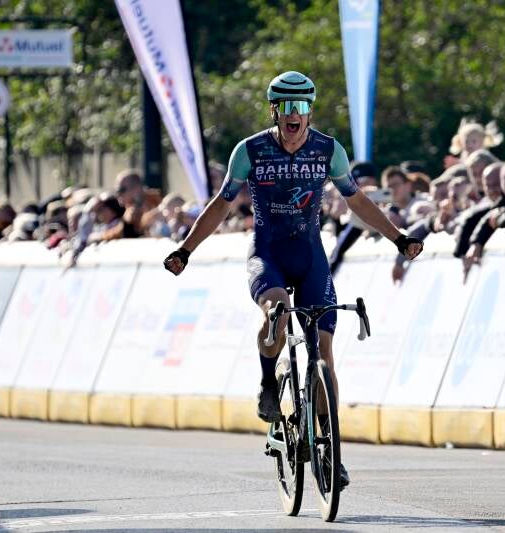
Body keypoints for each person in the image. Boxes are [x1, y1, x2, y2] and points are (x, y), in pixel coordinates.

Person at [163, 71, 423, 489]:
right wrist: (185, 250)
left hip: (310, 257)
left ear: (310, 112)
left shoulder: (328, 150)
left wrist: (399, 238)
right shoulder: (249, 151)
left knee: (324, 351)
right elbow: (220, 205)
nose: (293, 115)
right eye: (286, 106)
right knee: (278, 312)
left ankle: (331, 449)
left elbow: (357, 201)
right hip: (268, 254)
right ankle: (269, 382)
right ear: (274, 110)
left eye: (301, 107)